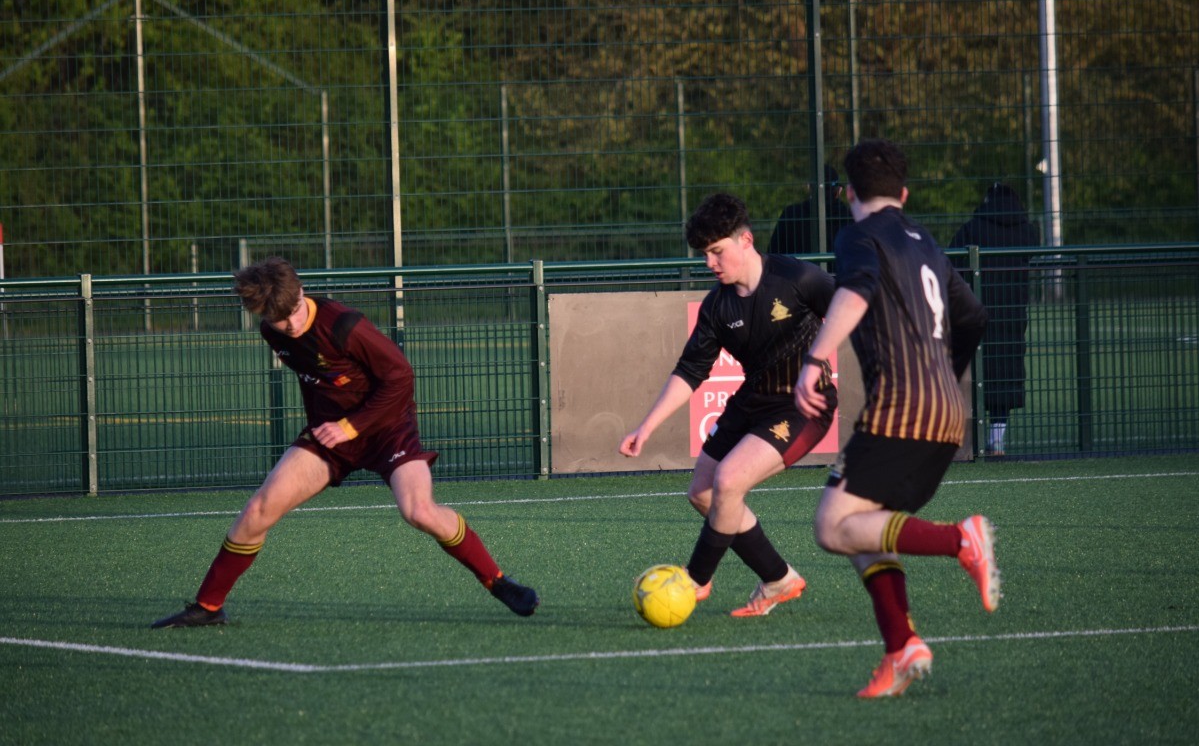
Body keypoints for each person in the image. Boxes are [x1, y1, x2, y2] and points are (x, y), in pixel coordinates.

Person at [151, 257, 539, 627]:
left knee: (418, 511)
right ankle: (208, 607)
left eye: (294, 311)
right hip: (330, 435)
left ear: (302, 291)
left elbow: (401, 377)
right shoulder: (272, 331)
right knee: (258, 509)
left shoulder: (344, 325)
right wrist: (329, 428)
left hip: (387, 429)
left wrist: (352, 426)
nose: (290, 324)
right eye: (278, 318)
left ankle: (497, 581)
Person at [794, 139, 997, 698]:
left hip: (902, 409)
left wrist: (815, 359)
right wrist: (944, 377)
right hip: (947, 412)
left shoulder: (858, 235)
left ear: (848, 194)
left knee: (831, 526)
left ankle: (960, 539)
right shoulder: (925, 241)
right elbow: (973, 317)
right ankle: (901, 648)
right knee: (865, 523)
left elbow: (857, 290)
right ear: (903, 195)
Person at [620, 193, 838, 617]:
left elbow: (854, 310)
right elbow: (690, 372)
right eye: (704, 254)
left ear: (746, 240)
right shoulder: (717, 306)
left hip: (802, 406)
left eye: (717, 251)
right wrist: (646, 427)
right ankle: (779, 579)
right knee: (703, 492)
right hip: (751, 401)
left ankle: (695, 579)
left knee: (730, 480)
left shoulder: (798, 278)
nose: (710, 263)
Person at [949, 183, 1039, 456]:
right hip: (1013, 311)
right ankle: (996, 439)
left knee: (975, 369)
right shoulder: (1026, 230)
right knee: (1006, 371)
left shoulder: (973, 228)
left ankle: (967, 441)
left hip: (977, 309)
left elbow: (953, 260)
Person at [768, 164, 853, 255]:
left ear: (809, 187)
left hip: (799, 264)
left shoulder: (791, 214)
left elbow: (773, 252)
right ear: (839, 190)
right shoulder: (850, 217)